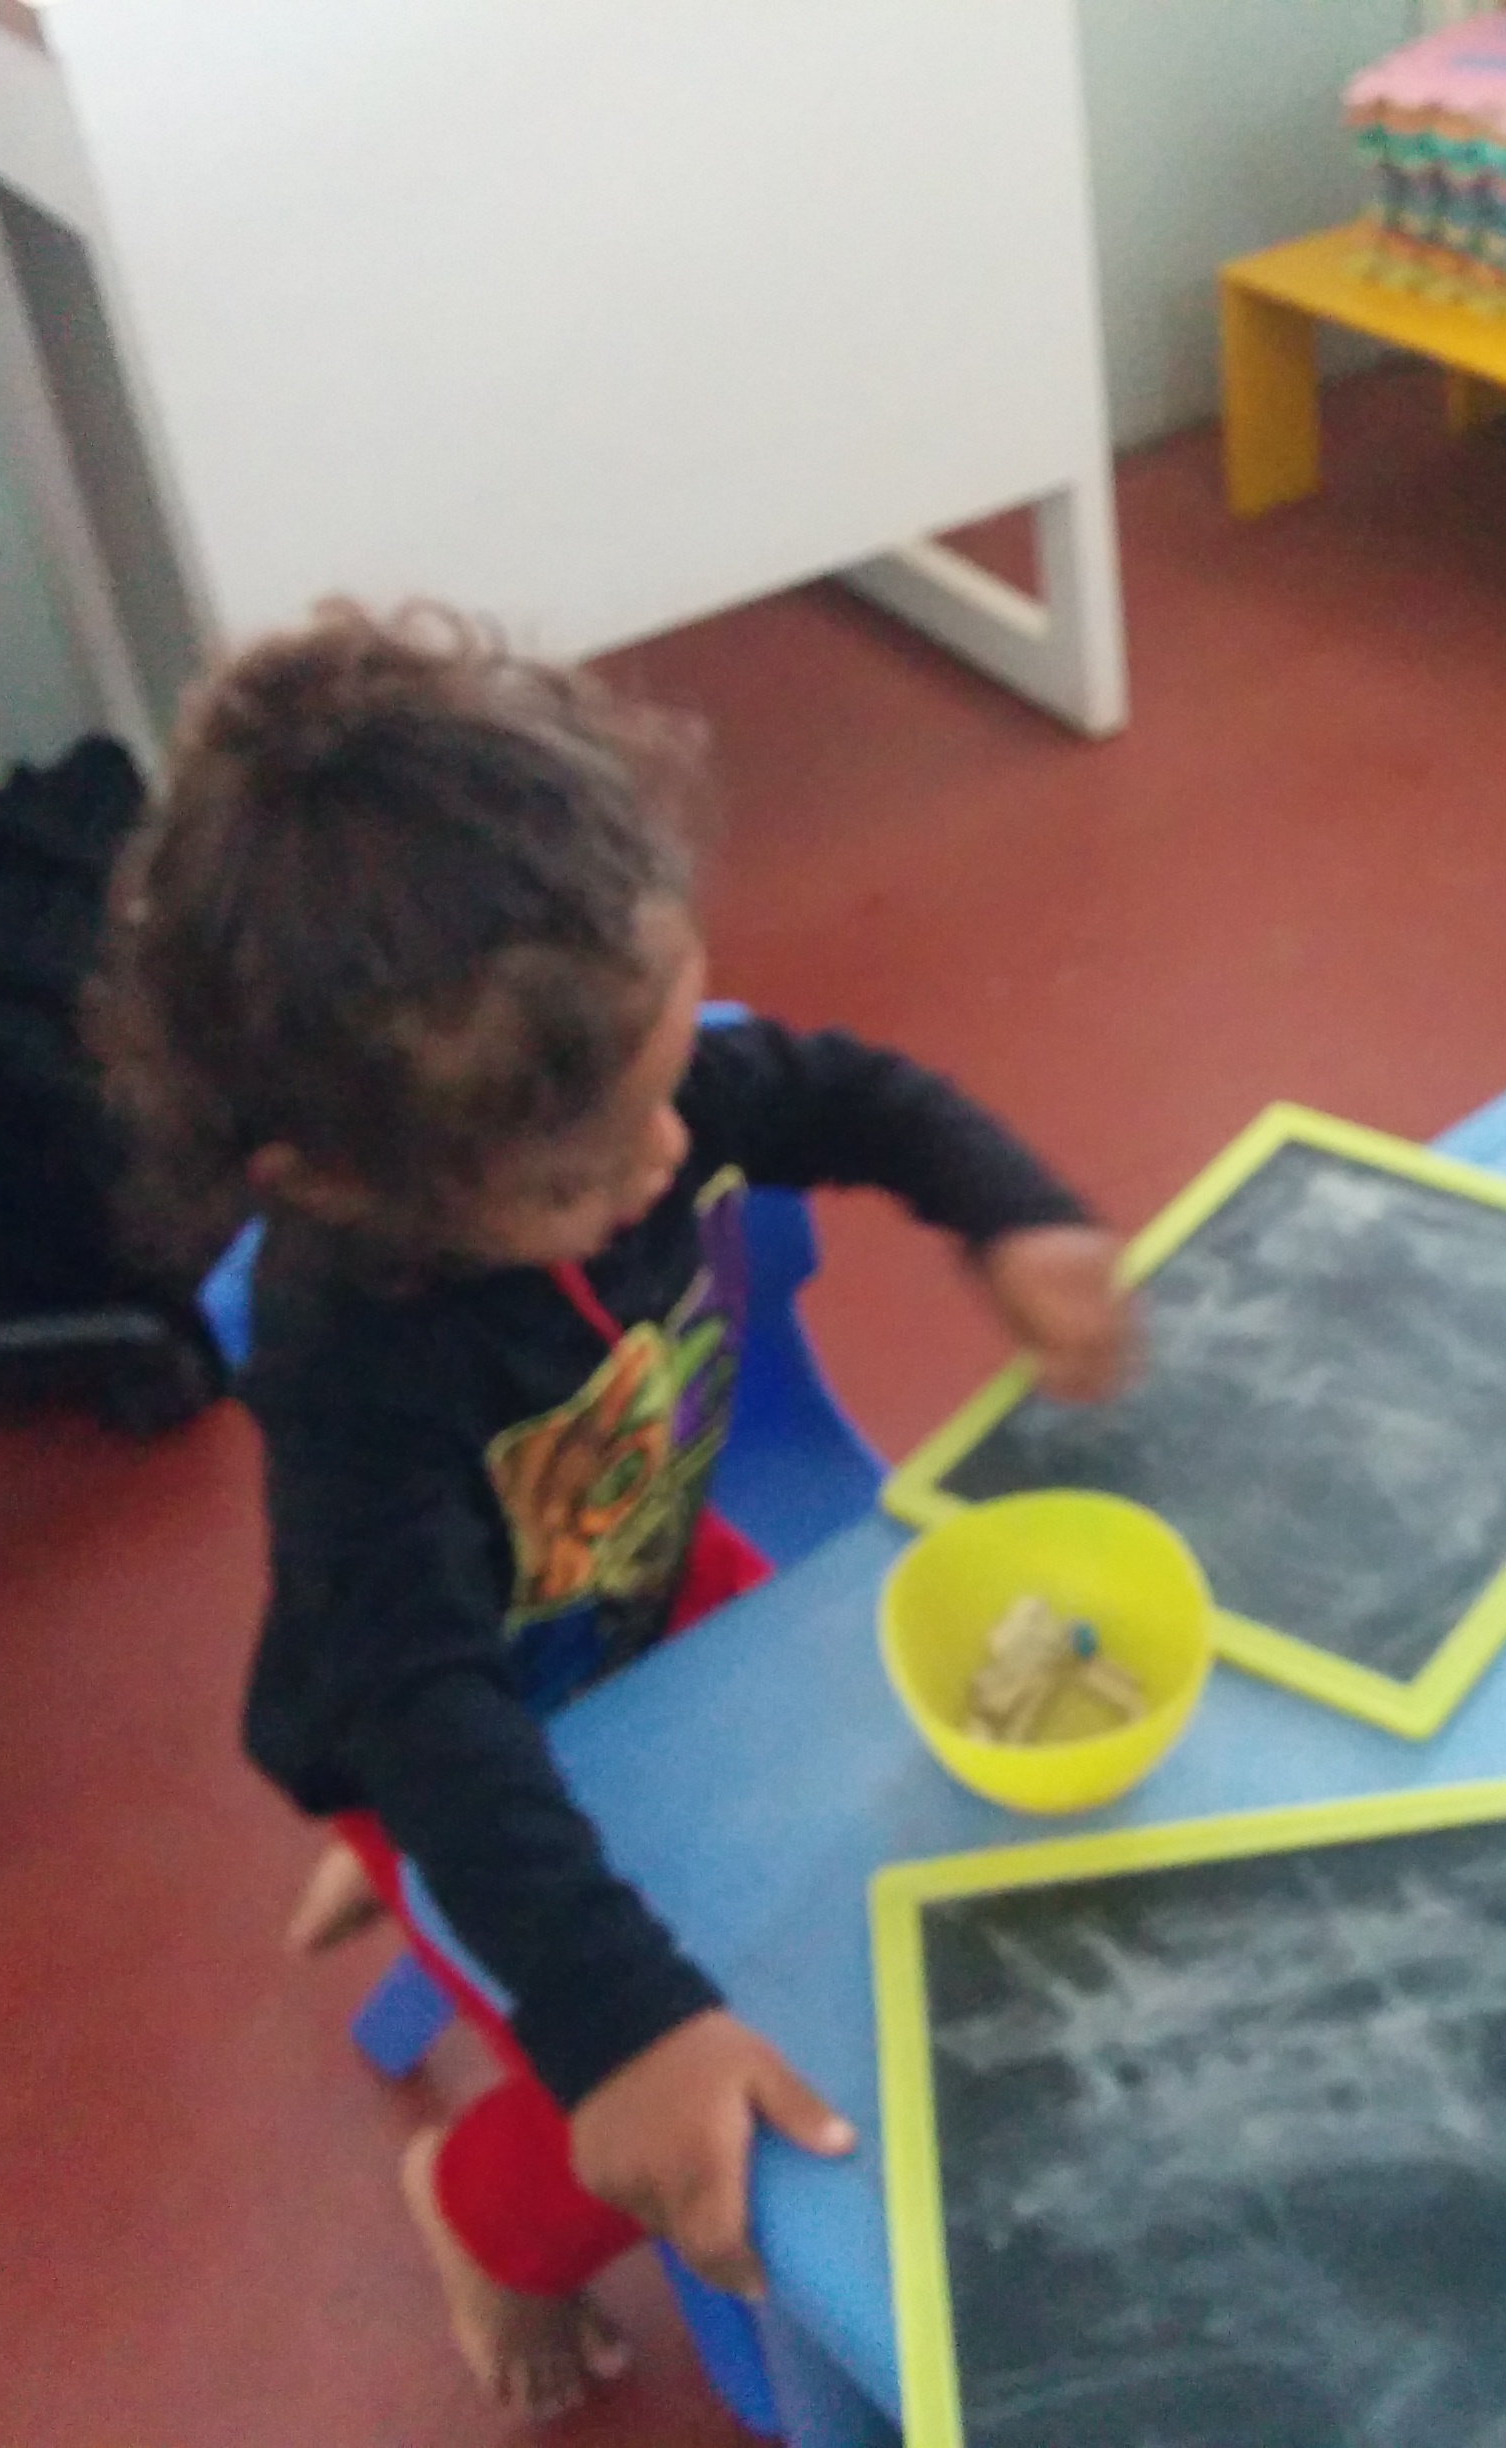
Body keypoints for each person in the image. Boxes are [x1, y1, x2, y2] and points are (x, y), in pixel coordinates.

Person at [90, 603, 1133, 2415]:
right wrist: (620, 2031)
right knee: (654, 2048)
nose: (671, 1156)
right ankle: (472, 2210)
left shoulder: (607, 1091)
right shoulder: (353, 1370)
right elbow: (424, 1703)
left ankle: (417, 1894)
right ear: (340, 1181)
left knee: (859, 1837)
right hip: (443, 1714)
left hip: (650, 1579)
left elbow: (848, 1091)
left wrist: (1010, 1206)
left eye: (666, 1086)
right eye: (589, 1168)